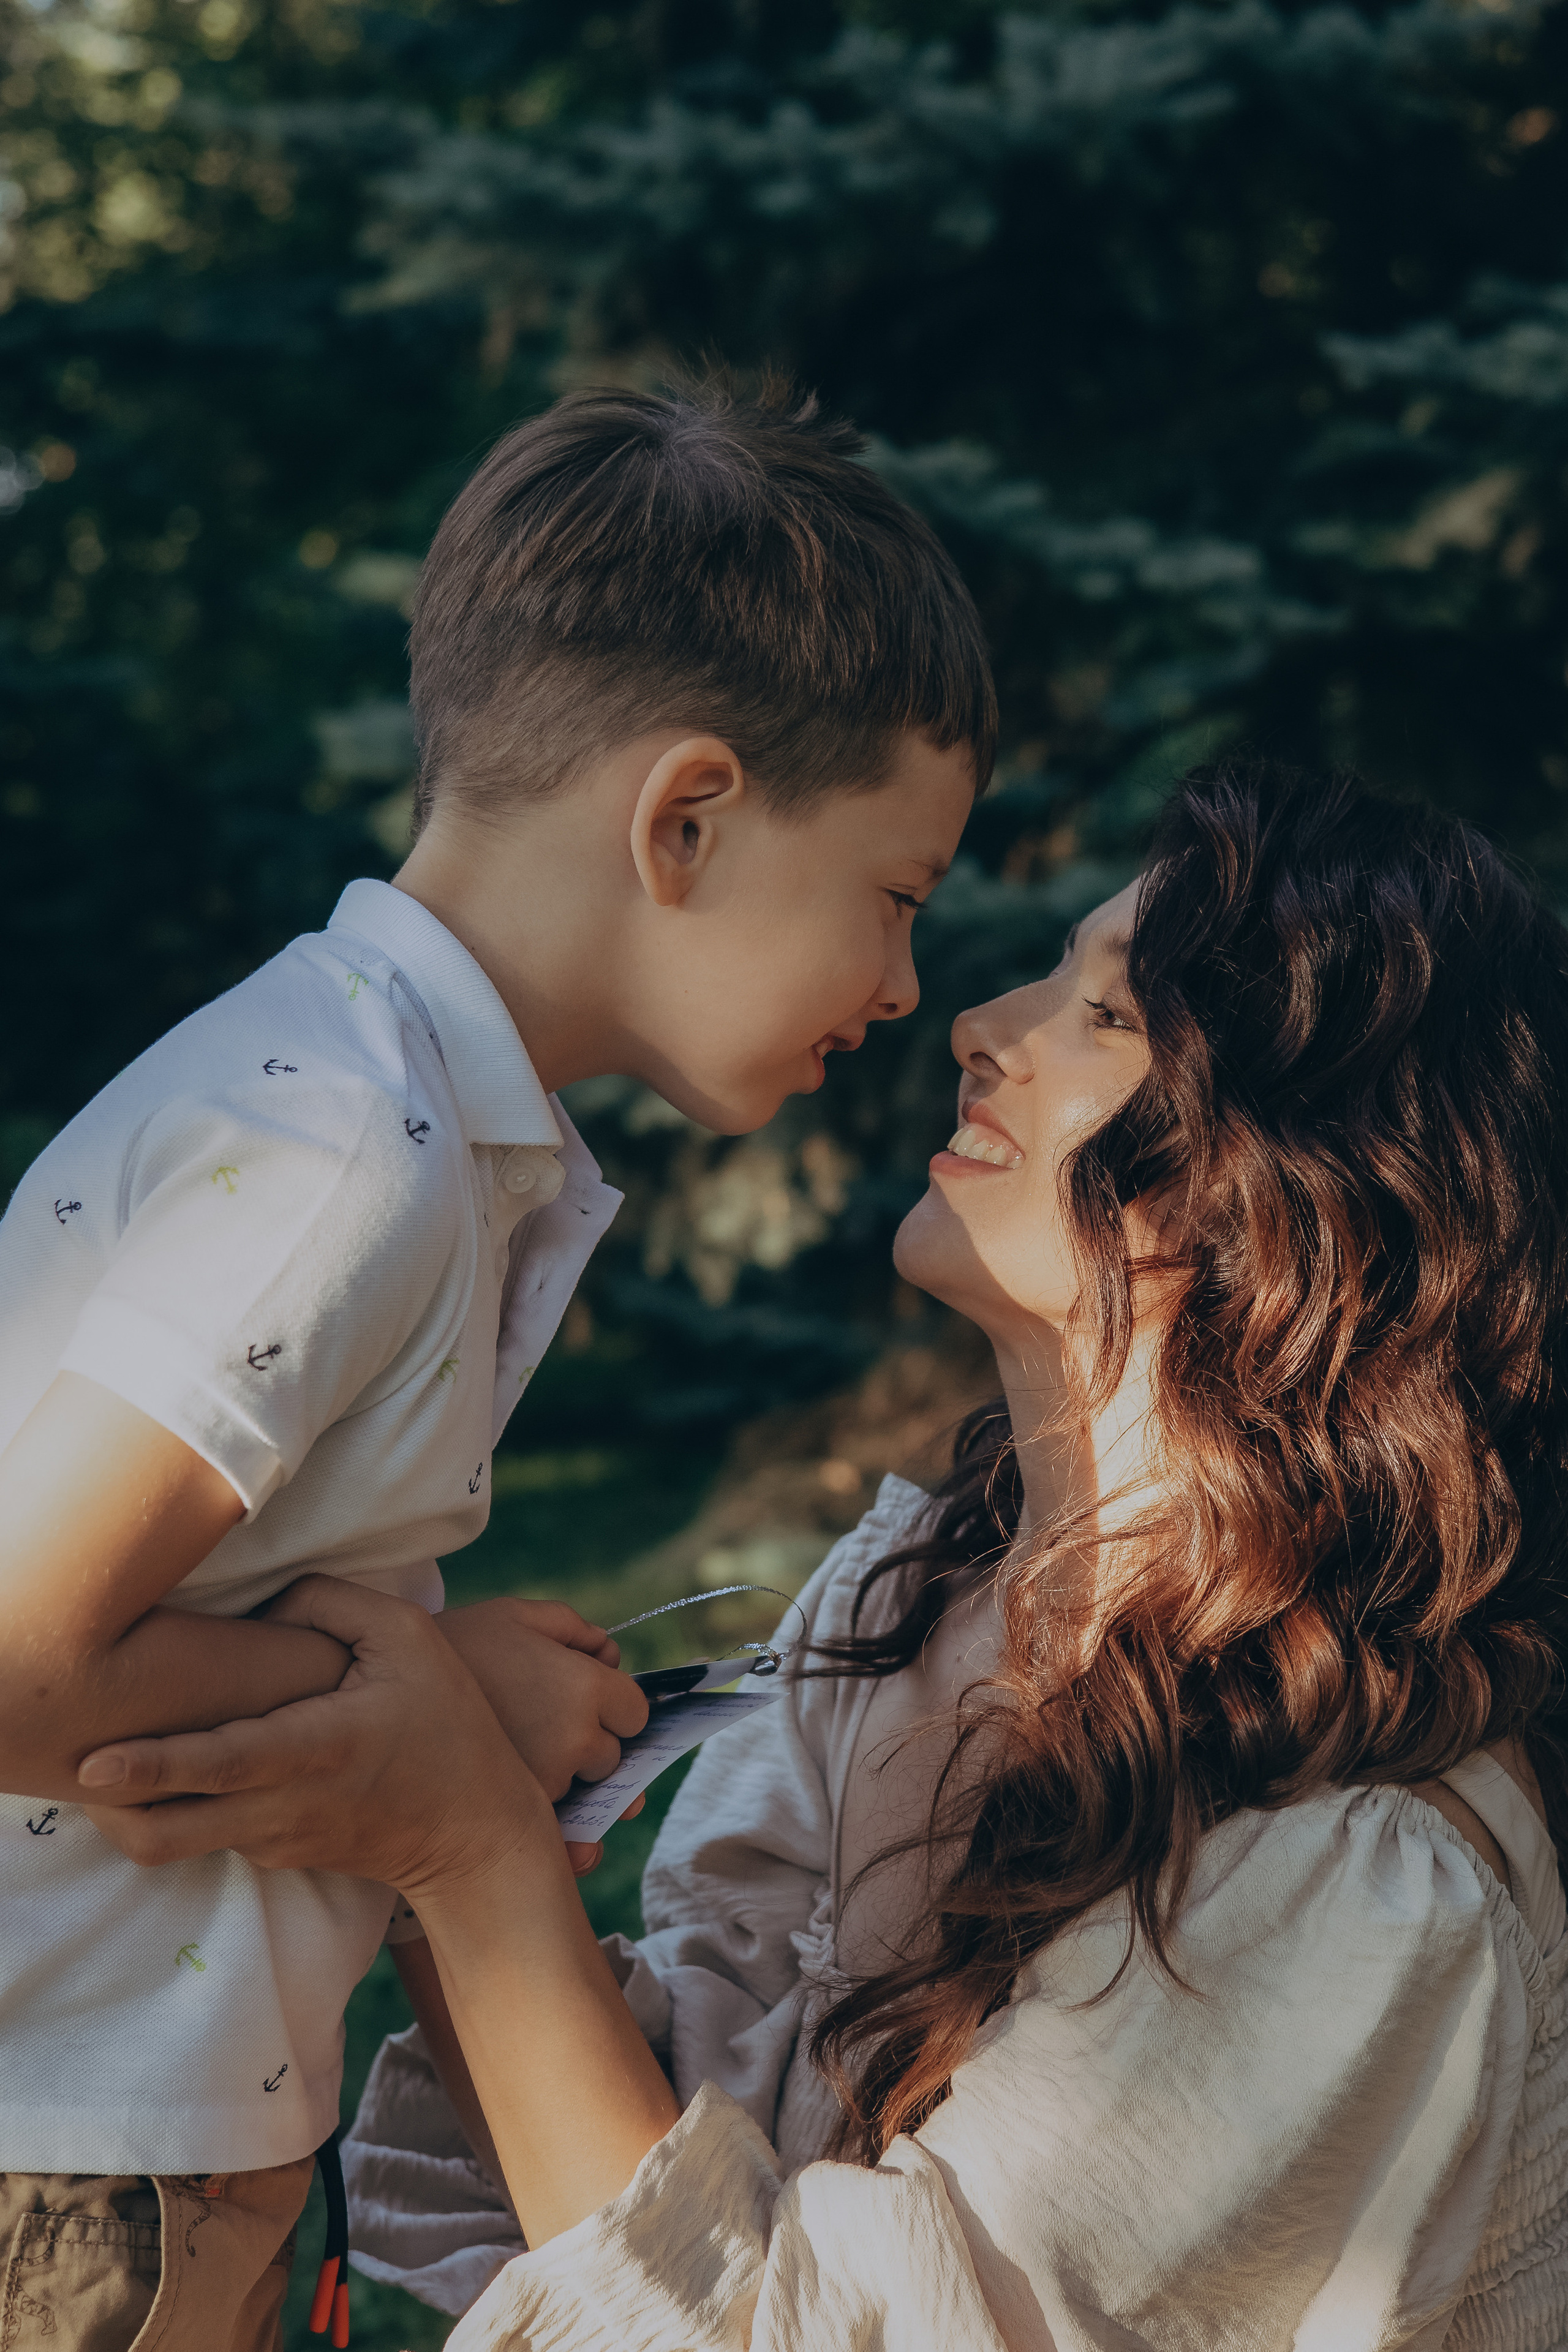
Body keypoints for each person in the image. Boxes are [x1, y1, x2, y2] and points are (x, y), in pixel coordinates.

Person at [81, 761, 1568, 2350]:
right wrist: (453, 1815)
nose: (983, 1019)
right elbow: (676, 2175)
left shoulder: (1359, 1876)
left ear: (1296, 1191)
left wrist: (467, 1848)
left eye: (1111, 1016)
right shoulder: (920, 1589)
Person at [0, 375, 990, 2351]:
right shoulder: (342, 1155)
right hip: (76, 2171)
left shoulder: (386, 1106)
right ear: (686, 818)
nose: (903, 989)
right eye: (894, 897)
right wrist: (435, 1697)